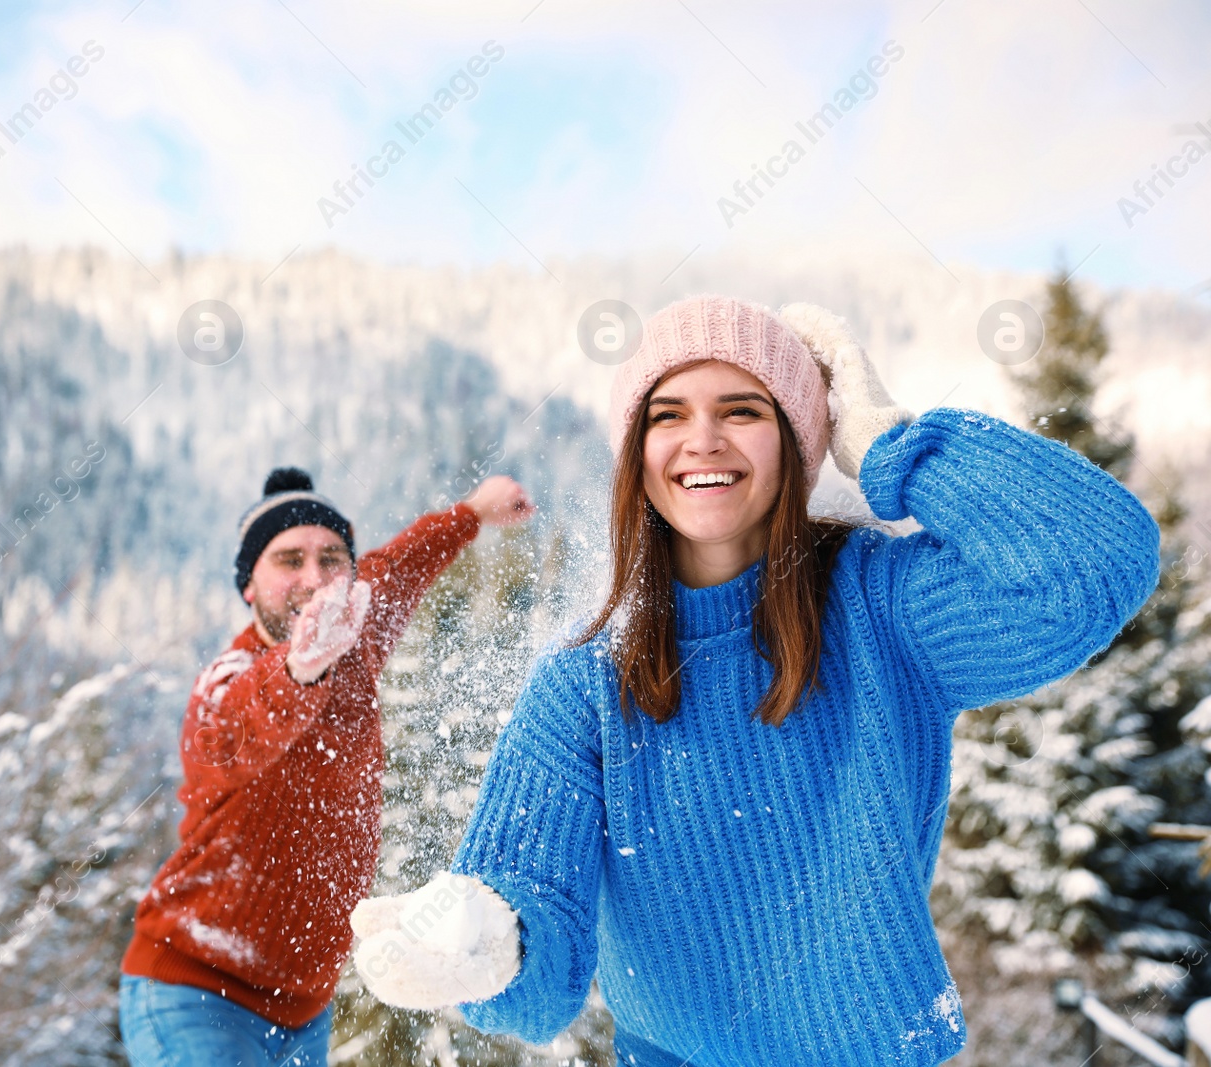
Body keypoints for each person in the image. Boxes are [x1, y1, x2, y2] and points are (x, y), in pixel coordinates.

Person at [349, 296, 1160, 1066]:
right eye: (667, 415)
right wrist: (484, 941)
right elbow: (537, 959)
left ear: (797, 441)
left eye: (742, 409)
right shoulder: (586, 682)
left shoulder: (885, 611)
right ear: (637, 457)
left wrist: (888, 444)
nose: (702, 439)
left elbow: (1095, 563)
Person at [119, 466, 535, 1066]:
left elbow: (402, 565)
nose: (315, 579)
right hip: (191, 988)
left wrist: (473, 512)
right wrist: (300, 669)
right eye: (289, 559)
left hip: (303, 1012)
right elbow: (233, 737)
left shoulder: (357, 638)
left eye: (332, 559)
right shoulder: (227, 680)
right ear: (248, 585)